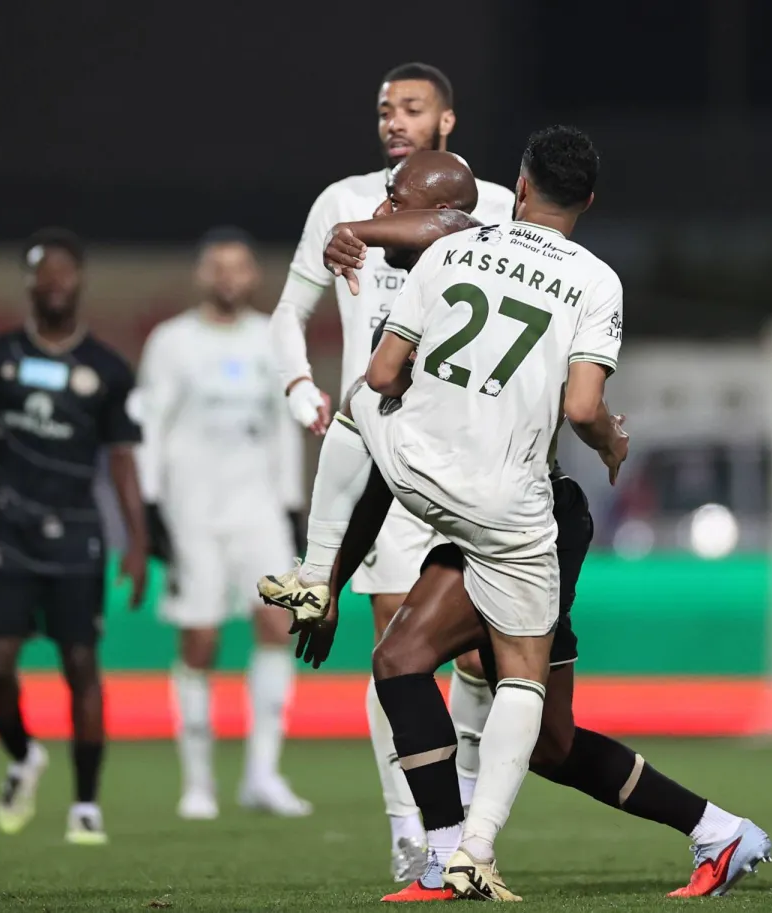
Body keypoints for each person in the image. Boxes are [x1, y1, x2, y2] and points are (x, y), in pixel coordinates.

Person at [271, 128, 772, 900]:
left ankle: (699, 831)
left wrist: (330, 572)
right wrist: (613, 441)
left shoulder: (450, 253)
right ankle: (456, 854)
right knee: (476, 688)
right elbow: (584, 407)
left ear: (521, 185)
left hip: (478, 500)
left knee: (507, 713)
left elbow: (382, 380)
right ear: (589, 201)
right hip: (510, 508)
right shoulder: (595, 279)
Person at [269, 61, 515, 881]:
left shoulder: (499, 207)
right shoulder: (340, 201)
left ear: (447, 121)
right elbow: (289, 312)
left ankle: (463, 804)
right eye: (385, 109)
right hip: (380, 451)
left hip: (472, 450)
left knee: (479, 659)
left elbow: (456, 236)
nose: (394, 120)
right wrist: (300, 384)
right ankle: (411, 827)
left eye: (412, 107)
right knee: (397, 647)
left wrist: (371, 232)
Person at [0, 227, 149, 845]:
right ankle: (24, 754)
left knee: (81, 665)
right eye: (43, 272)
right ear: (29, 283)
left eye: (64, 272)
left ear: (79, 281)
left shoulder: (107, 369)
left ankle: (85, 805)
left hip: (77, 535)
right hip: (5, 529)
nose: (54, 282)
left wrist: (137, 542)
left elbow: (122, 460)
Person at [134, 227, 311, 820]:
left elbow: (286, 425)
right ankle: (198, 783)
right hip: (192, 511)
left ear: (254, 276)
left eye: (239, 267)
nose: (228, 278)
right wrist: (150, 506)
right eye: (218, 267)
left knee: (277, 623)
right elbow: (150, 426)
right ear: (201, 275)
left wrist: (293, 507)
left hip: (258, 508)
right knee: (200, 639)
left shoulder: (272, 339)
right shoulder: (172, 342)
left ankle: (263, 774)